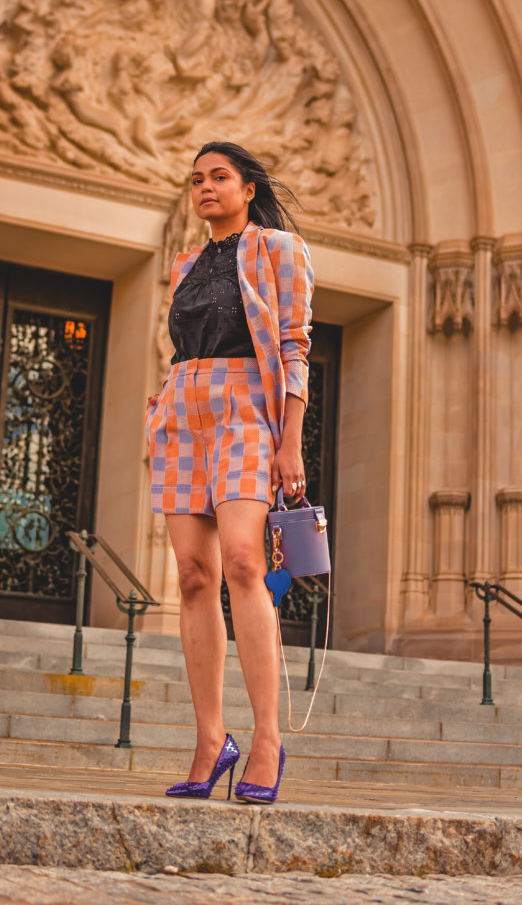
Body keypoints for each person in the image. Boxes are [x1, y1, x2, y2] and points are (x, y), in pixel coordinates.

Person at [145, 141, 314, 804]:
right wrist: (161, 403)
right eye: (196, 180)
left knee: (244, 561)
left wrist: (290, 440)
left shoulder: (279, 250)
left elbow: (293, 343)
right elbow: (178, 343)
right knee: (192, 576)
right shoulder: (184, 263)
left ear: (247, 188)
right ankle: (211, 738)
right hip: (183, 410)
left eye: (218, 177)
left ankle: (267, 739)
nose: (204, 187)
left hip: (248, 408)